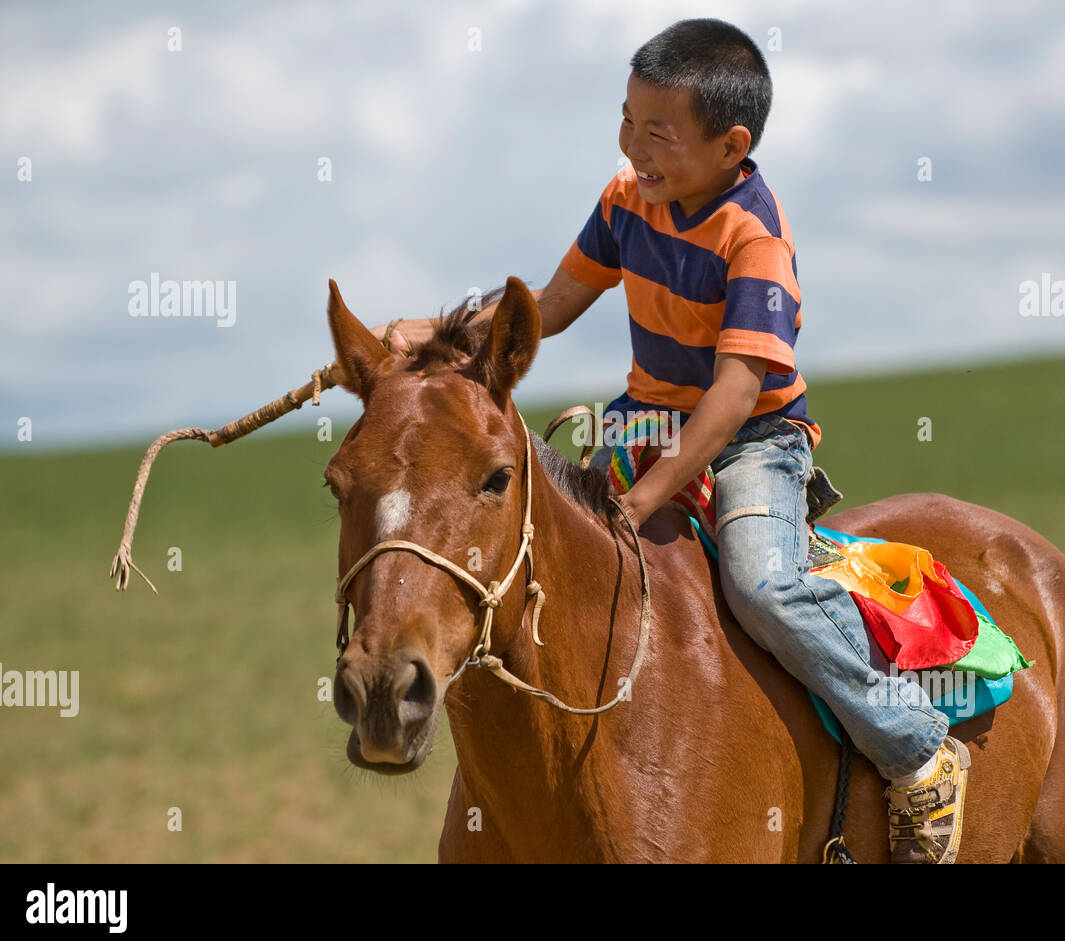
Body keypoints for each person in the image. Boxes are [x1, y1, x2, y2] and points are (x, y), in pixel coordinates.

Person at [372, 18, 970, 863]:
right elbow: (545, 306)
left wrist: (649, 494)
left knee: (761, 582)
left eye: (658, 133)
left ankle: (914, 746)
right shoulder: (628, 201)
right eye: (626, 120)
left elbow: (734, 395)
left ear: (731, 146)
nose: (633, 146)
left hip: (753, 440)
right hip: (641, 423)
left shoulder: (753, 239)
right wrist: (433, 332)